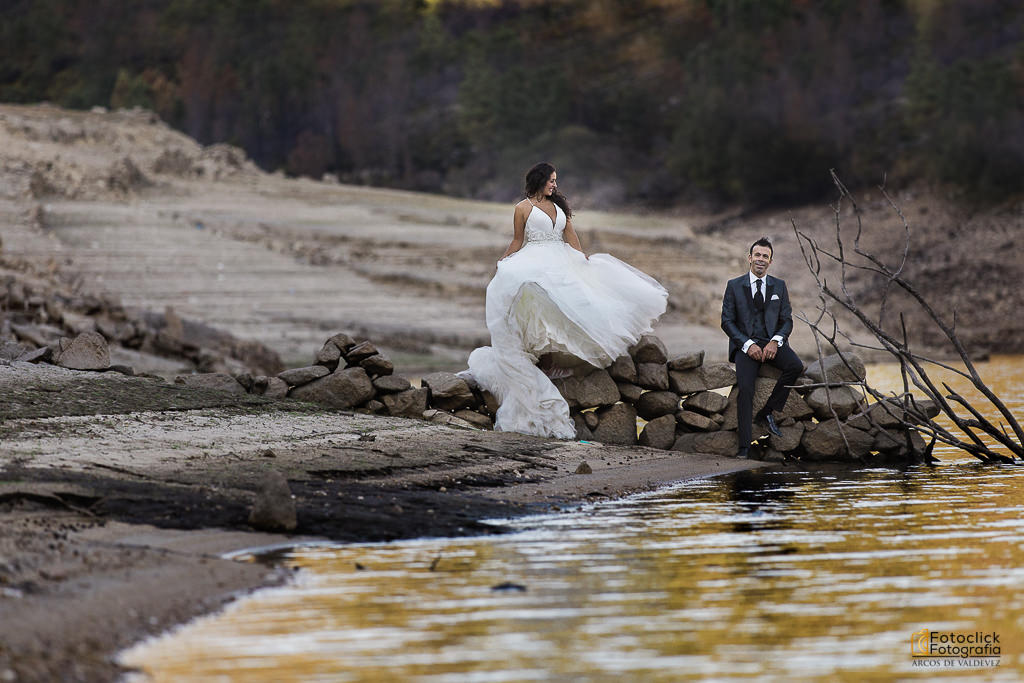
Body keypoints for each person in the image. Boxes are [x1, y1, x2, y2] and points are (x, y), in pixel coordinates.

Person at [466, 162, 668, 439]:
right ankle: (542, 357)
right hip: (533, 259)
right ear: (539, 180)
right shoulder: (522, 208)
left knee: (574, 304)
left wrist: (583, 261)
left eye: (555, 180)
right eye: (551, 180)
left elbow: (570, 235)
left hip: (560, 258)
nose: (554, 185)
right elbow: (517, 241)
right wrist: (502, 263)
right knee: (533, 298)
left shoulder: (560, 206)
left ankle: (556, 360)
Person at [720, 237, 803, 458]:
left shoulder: (780, 286)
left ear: (770, 261)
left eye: (765, 256)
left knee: (795, 366)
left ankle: (767, 412)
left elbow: (787, 320)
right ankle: (744, 447)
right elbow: (726, 322)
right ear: (749, 258)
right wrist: (747, 345)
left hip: (771, 342)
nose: (761, 259)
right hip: (745, 346)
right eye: (757, 255)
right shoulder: (734, 286)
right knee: (746, 389)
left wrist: (776, 341)